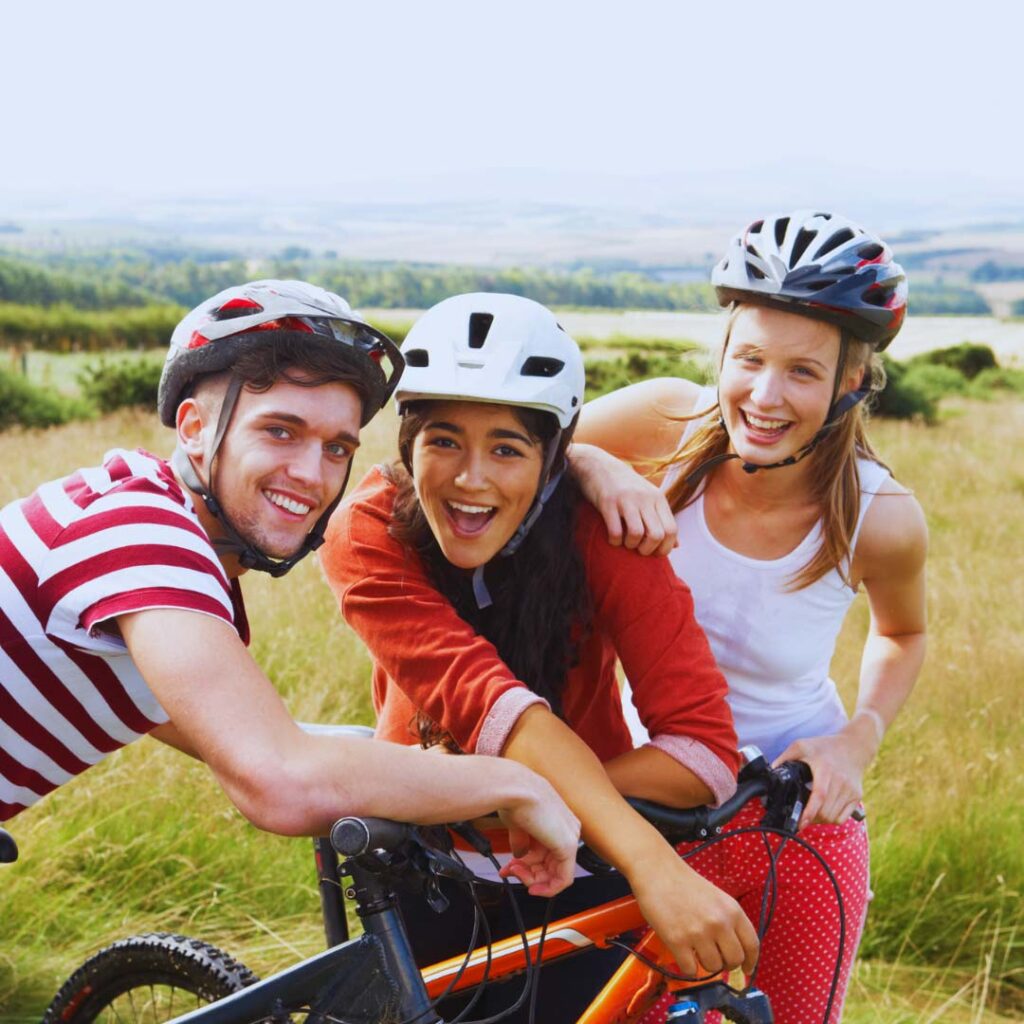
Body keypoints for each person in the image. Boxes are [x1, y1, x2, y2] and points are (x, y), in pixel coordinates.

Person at [0, 279, 579, 896]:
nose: (310, 473)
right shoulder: (143, 537)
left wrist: (396, 762)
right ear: (194, 427)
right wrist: (516, 785)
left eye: (336, 447)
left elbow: (221, 730)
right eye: (280, 430)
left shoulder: (144, 517)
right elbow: (277, 781)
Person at [321, 292, 760, 1022]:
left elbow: (705, 755)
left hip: (581, 864)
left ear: (552, 458)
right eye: (443, 440)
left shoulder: (609, 531)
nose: (471, 479)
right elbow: (491, 703)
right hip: (418, 861)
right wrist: (646, 860)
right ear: (407, 447)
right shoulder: (370, 531)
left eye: (507, 447)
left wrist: (542, 804)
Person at [572, 210, 928, 1023]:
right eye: (750, 360)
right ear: (723, 353)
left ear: (850, 381)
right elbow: (526, 450)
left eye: (802, 372)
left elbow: (905, 633)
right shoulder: (661, 422)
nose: (765, 398)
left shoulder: (881, 515)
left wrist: (855, 740)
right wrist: (597, 465)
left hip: (793, 824)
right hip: (638, 807)